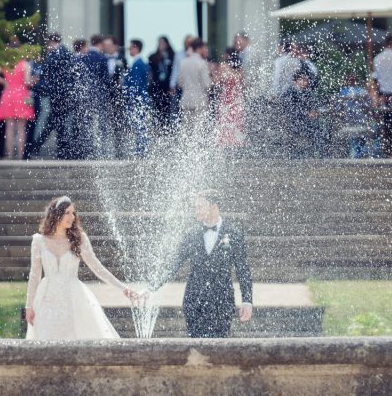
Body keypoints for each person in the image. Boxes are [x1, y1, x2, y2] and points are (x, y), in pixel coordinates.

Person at [25, 196, 136, 340]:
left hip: (73, 297)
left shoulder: (79, 239)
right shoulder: (39, 241)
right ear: (56, 214)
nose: (72, 217)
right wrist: (29, 306)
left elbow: (98, 268)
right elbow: (34, 275)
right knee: (45, 340)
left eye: (73, 213)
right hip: (46, 299)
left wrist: (123, 288)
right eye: (67, 213)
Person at [152, 191, 252, 338]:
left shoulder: (233, 234)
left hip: (222, 302)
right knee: (195, 350)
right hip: (194, 302)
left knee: (220, 352)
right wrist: (151, 288)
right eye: (195, 207)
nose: (196, 211)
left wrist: (247, 300)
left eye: (200, 206)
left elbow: (242, 269)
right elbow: (173, 264)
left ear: (214, 206)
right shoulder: (191, 234)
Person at [0, 46, 35, 159]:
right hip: (22, 95)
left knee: (9, 128)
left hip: (8, 95)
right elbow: (27, 82)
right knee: (21, 129)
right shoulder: (25, 65)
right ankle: (20, 155)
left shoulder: (6, 64)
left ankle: (10, 155)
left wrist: (3, 82)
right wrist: (33, 81)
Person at [281, 69, 321, 158]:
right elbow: (290, 110)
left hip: (306, 122)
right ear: (295, 81)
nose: (304, 82)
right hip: (291, 122)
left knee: (320, 127)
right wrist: (306, 113)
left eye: (306, 80)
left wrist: (315, 112)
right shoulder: (289, 92)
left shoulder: (308, 93)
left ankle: (317, 154)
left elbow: (313, 106)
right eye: (301, 79)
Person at [176, 37, 212, 133]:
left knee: (186, 131)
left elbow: (180, 83)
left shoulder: (183, 62)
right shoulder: (202, 63)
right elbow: (207, 85)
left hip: (186, 99)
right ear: (200, 48)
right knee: (198, 132)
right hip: (199, 101)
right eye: (205, 48)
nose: (206, 50)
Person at [338, 73, 377, 159]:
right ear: (356, 82)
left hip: (348, 124)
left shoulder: (343, 92)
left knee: (356, 139)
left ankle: (355, 155)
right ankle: (361, 154)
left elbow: (338, 110)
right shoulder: (363, 92)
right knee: (366, 136)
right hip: (362, 123)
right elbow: (369, 108)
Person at [123, 38, 151, 156]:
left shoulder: (137, 64)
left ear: (136, 48)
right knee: (139, 126)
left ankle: (141, 152)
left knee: (139, 126)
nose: (129, 50)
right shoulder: (140, 63)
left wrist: (132, 98)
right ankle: (141, 150)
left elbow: (136, 84)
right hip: (139, 99)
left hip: (137, 100)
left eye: (130, 47)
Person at [216, 48, 246, 152]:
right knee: (236, 122)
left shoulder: (223, 66)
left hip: (226, 99)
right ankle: (236, 145)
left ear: (227, 55)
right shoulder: (240, 70)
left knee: (225, 122)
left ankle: (226, 144)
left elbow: (217, 81)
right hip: (236, 99)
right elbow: (243, 84)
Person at [147, 35, 175, 132]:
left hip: (167, 88)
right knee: (156, 111)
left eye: (163, 43)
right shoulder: (153, 57)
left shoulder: (172, 56)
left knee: (167, 111)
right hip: (156, 88)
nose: (161, 45)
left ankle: (167, 130)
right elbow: (150, 72)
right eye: (160, 43)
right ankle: (157, 130)